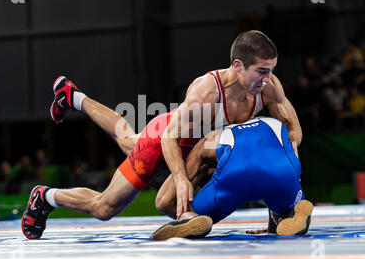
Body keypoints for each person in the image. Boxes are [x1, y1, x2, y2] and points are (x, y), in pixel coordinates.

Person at [21, 30, 302, 240]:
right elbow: (169, 137)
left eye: (271, 71)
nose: (268, 79)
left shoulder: (268, 86)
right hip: (168, 138)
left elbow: (291, 131)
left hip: (200, 148)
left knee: (127, 139)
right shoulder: (207, 90)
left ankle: (73, 96)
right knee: (104, 207)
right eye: (262, 71)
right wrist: (180, 180)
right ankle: (46, 196)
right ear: (238, 66)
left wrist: (292, 174)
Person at [152, 117, 313, 241]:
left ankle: (190, 218)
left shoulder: (209, 140)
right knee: (285, 202)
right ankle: (292, 214)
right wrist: (272, 230)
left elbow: (164, 202)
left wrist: (183, 190)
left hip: (235, 172)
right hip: (283, 167)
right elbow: (281, 154)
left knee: (196, 215)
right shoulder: (272, 120)